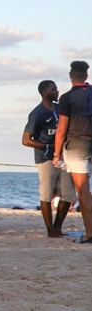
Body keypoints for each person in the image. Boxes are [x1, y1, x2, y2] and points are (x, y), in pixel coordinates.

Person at [23, 79, 75, 237]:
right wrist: (49, 147)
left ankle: (57, 227)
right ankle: (50, 231)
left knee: (68, 194)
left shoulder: (60, 109)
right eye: (54, 89)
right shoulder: (37, 113)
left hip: (64, 157)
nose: (57, 91)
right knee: (46, 194)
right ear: (45, 92)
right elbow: (26, 140)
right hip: (45, 158)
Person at [52, 61, 92, 244]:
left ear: (71, 75)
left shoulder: (67, 98)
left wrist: (56, 153)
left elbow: (61, 129)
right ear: (86, 75)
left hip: (77, 144)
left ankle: (90, 233)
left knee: (83, 191)